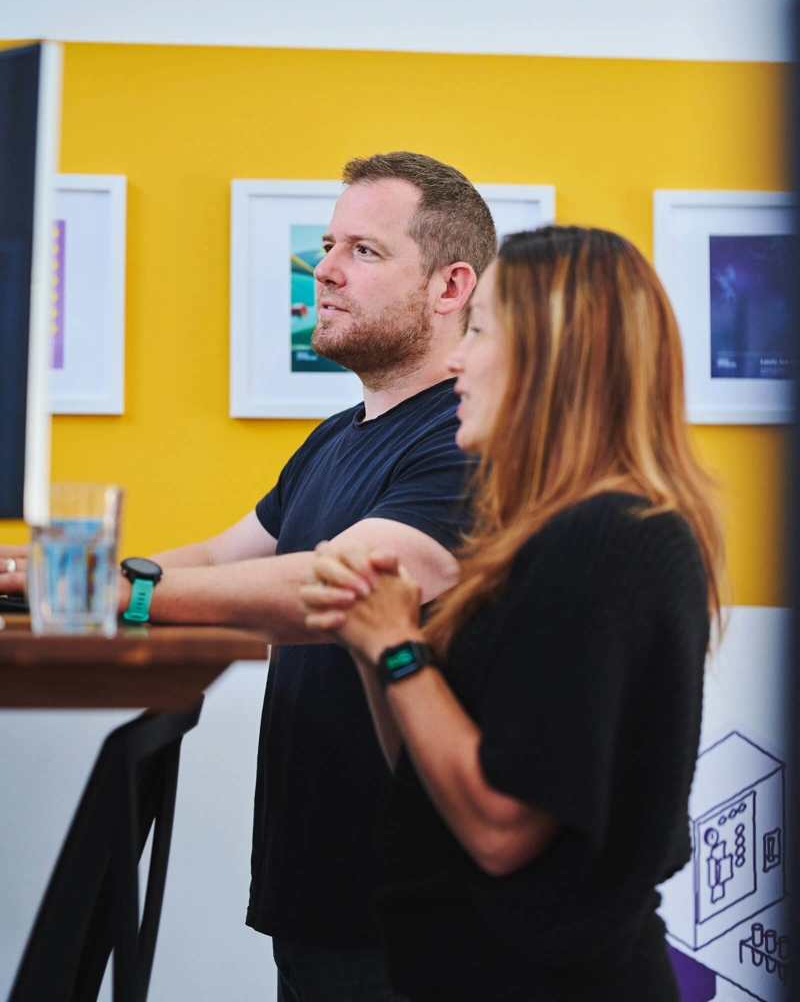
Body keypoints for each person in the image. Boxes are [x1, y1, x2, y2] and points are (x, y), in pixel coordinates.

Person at [0, 152, 497, 1002]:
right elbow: (225, 557)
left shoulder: (464, 440)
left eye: (363, 252)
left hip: (413, 915)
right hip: (315, 898)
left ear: (451, 287)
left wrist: (128, 595)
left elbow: (340, 584)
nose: (325, 270)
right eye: (327, 244)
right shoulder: (337, 436)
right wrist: (49, 573)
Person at [300, 225, 726, 1002]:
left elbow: (501, 831)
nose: (455, 358)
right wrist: (374, 636)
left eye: (483, 330)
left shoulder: (605, 541)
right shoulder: (549, 536)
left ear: (558, 358)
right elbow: (428, 777)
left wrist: (396, 645)